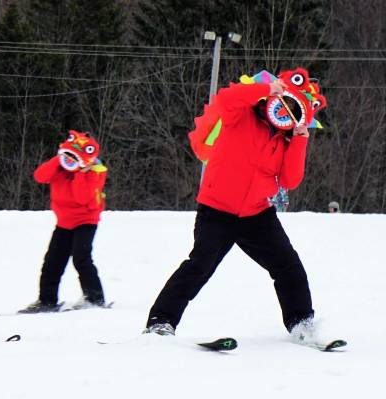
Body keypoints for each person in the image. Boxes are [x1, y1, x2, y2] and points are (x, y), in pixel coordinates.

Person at [144, 67, 328, 341]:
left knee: (288, 265)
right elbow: (227, 99)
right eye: (284, 102)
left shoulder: (285, 140)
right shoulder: (241, 114)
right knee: (199, 265)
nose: (286, 111)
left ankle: (301, 324)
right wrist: (267, 88)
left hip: (257, 215)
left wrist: (299, 140)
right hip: (216, 210)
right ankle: (161, 322)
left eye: (294, 109)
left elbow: (289, 180)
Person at [19, 131, 108, 313]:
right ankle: (47, 300)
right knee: (52, 261)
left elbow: (82, 197)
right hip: (64, 222)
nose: (69, 161)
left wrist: (82, 173)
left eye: (73, 158)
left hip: (86, 220)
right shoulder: (58, 169)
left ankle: (95, 297)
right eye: (67, 157)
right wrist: (58, 160)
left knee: (81, 258)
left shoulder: (94, 174)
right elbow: (40, 176)